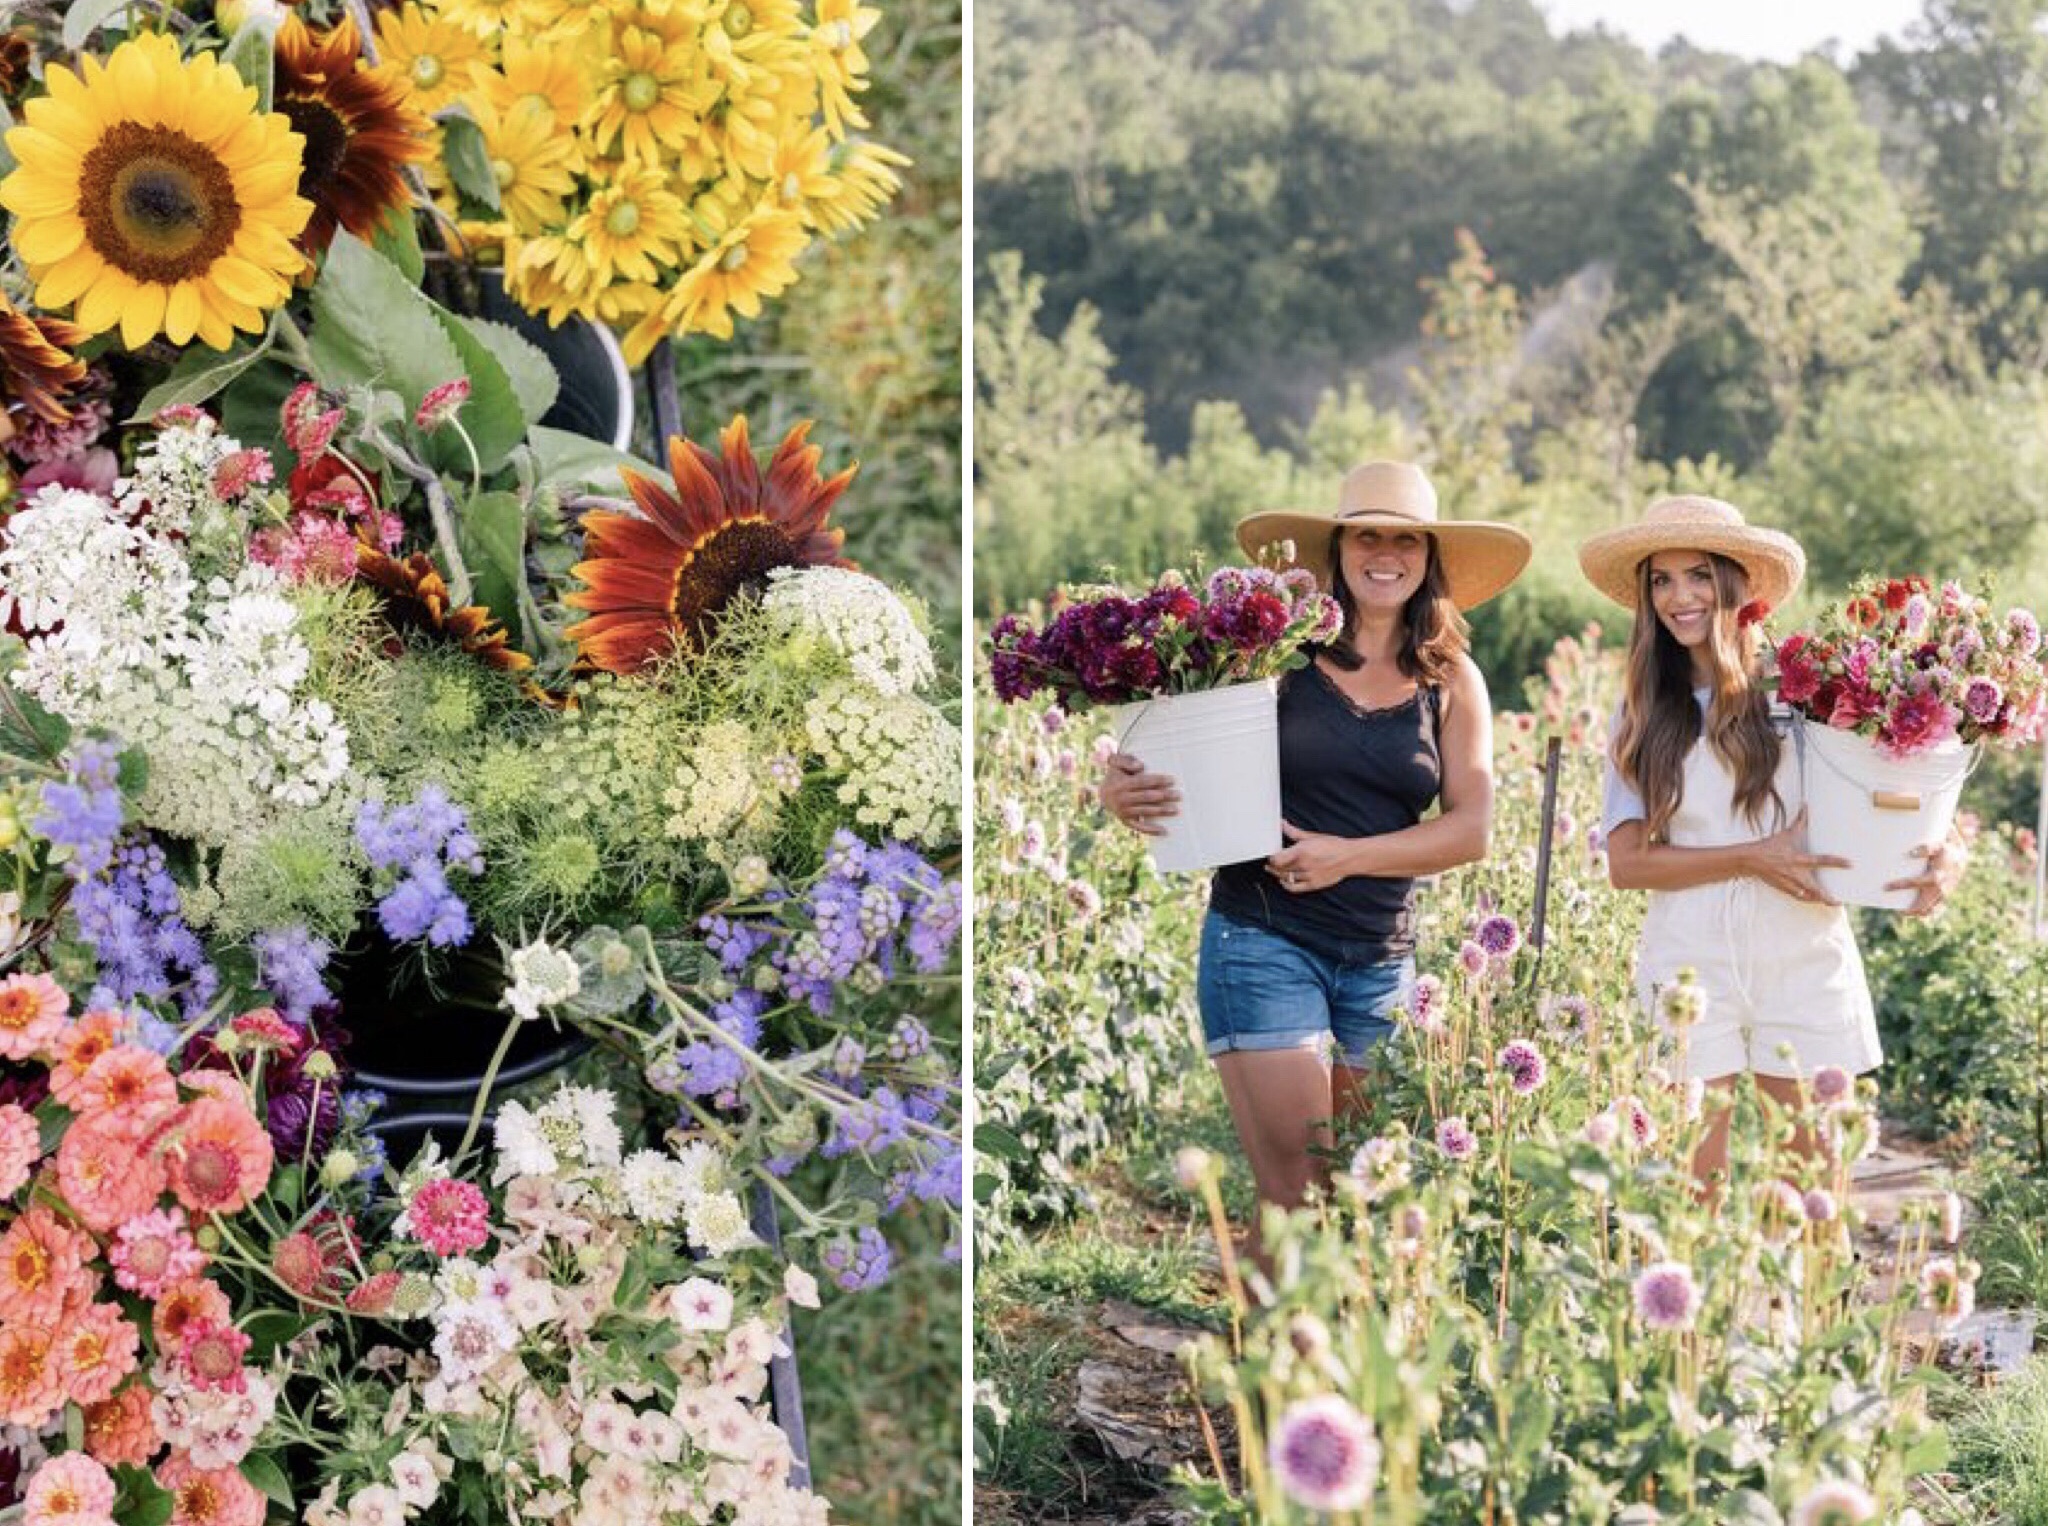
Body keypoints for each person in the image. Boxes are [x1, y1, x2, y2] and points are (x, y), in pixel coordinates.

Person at [1099, 461, 1529, 1243]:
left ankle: (1319, 1365)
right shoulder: (1273, 658)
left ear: (1429, 557)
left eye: (1406, 538)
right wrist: (1120, 785)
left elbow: (1473, 829)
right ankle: (1269, 1366)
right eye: (1368, 534)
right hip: (1263, 939)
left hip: (1380, 961)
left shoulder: (1451, 681)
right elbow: (1172, 751)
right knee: (1296, 1196)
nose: (1386, 552)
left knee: (1360, 1198)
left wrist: (1346, 856)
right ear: (1338, 547)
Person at [1578, 495, 1962, 1188]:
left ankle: (1813, 1301)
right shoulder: (1640, 709)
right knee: (1692, 1197)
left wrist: (1942, 855)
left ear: (1737, 582)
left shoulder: (1806, 692)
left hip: (1805, 948)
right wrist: (1754, 857)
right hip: (1688, 954)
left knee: (1814, 1191)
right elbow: (1628, 865)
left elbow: (1896, 795)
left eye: (1697, 574)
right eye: (1660, 580)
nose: (1678, 596)